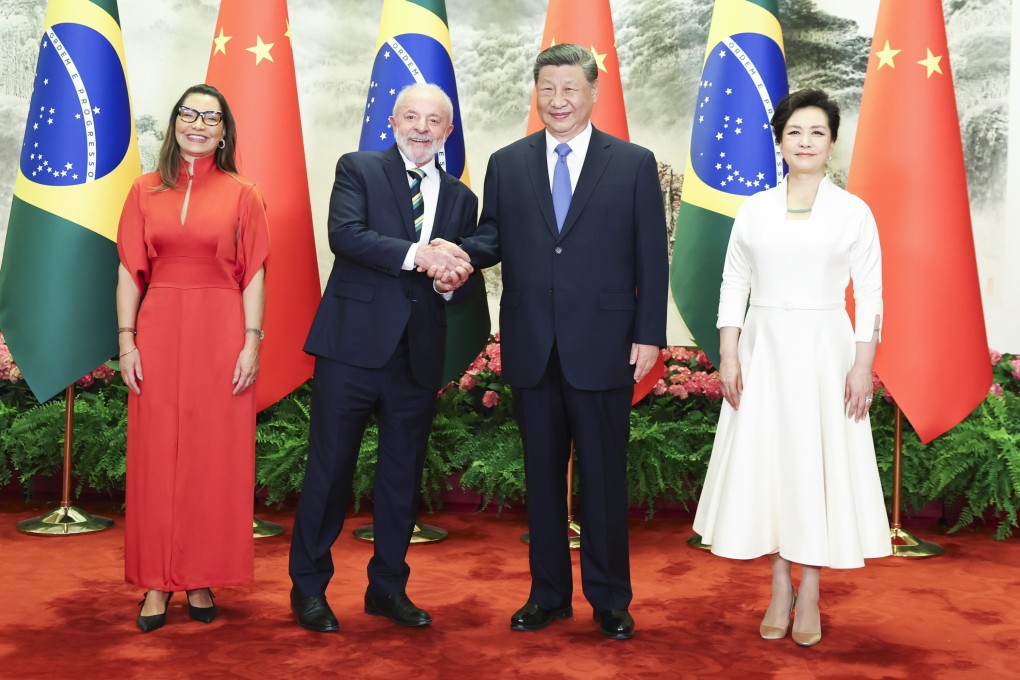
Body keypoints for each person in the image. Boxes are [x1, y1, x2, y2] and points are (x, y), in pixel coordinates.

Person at [452, 44, 668, 640]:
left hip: (605, 343)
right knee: (542, 480)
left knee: (603, 478)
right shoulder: (507, 162)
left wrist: (649, 334)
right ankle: (546, 595)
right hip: (533, 345)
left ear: (593, 92)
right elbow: (492, 236)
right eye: (547, 88)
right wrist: (455, 254)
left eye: (570, 88)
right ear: (536, 93)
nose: (558, 100)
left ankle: (610, 600)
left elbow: (651, 254)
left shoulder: (632, 163)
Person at [692, 89, 891, 647]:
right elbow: (734, 283)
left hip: (827, 353)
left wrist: (862, 366)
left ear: (832, 142)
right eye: (794, 132)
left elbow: (870, 295)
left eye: (817, 132)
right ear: (779, 141)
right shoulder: (754, 210)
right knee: (773, 466)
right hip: (763, 351)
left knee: (814, 467)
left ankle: (811, 591)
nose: (805, 142)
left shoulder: (853, 212)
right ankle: (780, 586)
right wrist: (729, 353)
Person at [288, 83, 478, 632]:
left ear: (448, 132)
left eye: (434, 121)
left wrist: (449, 280)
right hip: (351, 349)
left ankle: (388, 588)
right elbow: (346, 236)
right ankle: (309, 590)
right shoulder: (359, 169)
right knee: (329, 472)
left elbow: (454, 278)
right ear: (393, 122)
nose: (422, 128)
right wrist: (421, 255)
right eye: (411, 117)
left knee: (401, 478)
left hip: (416, 356)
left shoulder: (462, 199)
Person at [117, 84, 269, 633]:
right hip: (157, 330)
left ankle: (201, 576)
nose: (198, 125)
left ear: (224, 131)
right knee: (156, 457)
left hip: (221, 331)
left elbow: (254, 272)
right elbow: (128, 268)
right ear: (175, 122)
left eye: (210, 117)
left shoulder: (244, 193)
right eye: (189, 114)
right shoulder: (143, 190)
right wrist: (127, 339)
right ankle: (157, 582)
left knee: (212, 458)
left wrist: (252, 341)